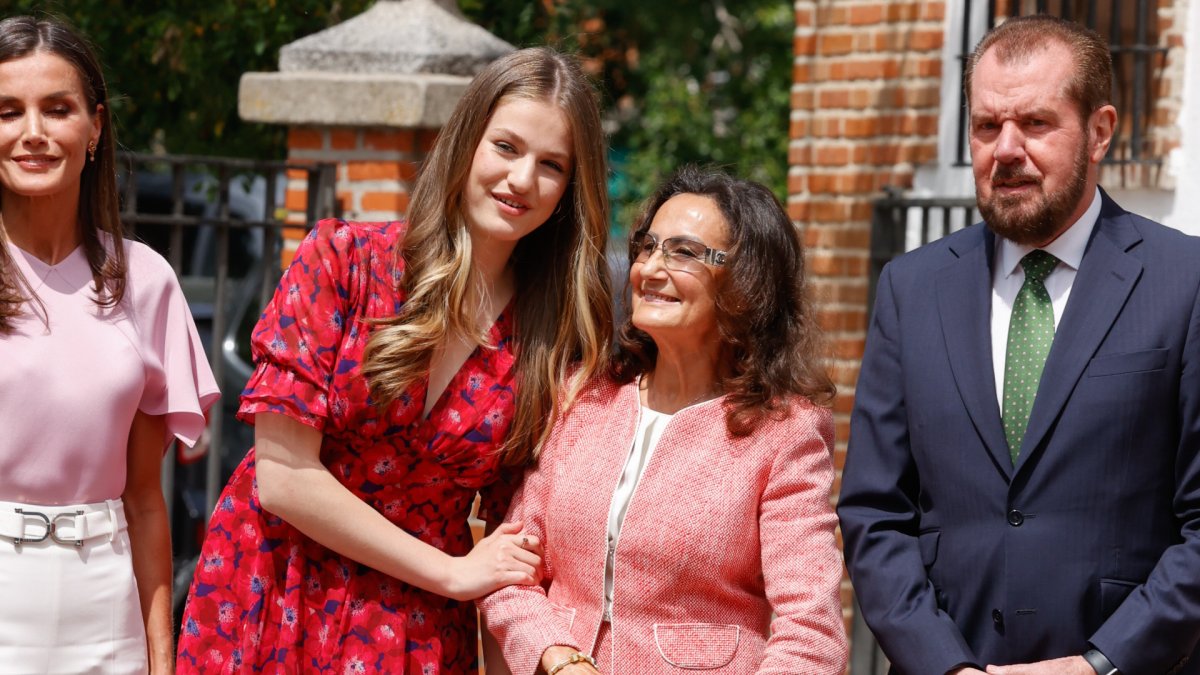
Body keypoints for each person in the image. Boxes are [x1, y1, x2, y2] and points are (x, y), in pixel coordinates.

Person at [175, 47, 613, 674]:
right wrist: (452, 572)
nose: (521, 180)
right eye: (507, 147)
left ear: (572, 188)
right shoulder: (344, 262)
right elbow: (283, 477)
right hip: (274, 586)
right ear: (466, 143)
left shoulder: (556, 336)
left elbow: (518, 540)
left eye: (552, 165)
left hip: (412, 631)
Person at [838, 14, 1200, 675]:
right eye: (985, 126)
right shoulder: (912, 289)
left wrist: (1096, 663)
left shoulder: (1184, 282)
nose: (1005, 148)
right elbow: (874, 509)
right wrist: (945, 664)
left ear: (1100, 131)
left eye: (1035, 123)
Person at [478, 166, 849, 674]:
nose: (650, 268)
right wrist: (558, 658)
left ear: (746, 285)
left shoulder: (783, 432)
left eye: (683, 252)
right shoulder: (582, 396)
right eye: (647, 247)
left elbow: (811, 631)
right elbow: (510, 570)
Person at [0, 15, 219, 674]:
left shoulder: (145, 280)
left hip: (106, 604)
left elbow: (147, 502)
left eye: (57, 109)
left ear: (94, 128)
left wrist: (159, 657)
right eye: (8, 111)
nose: (33, 132)